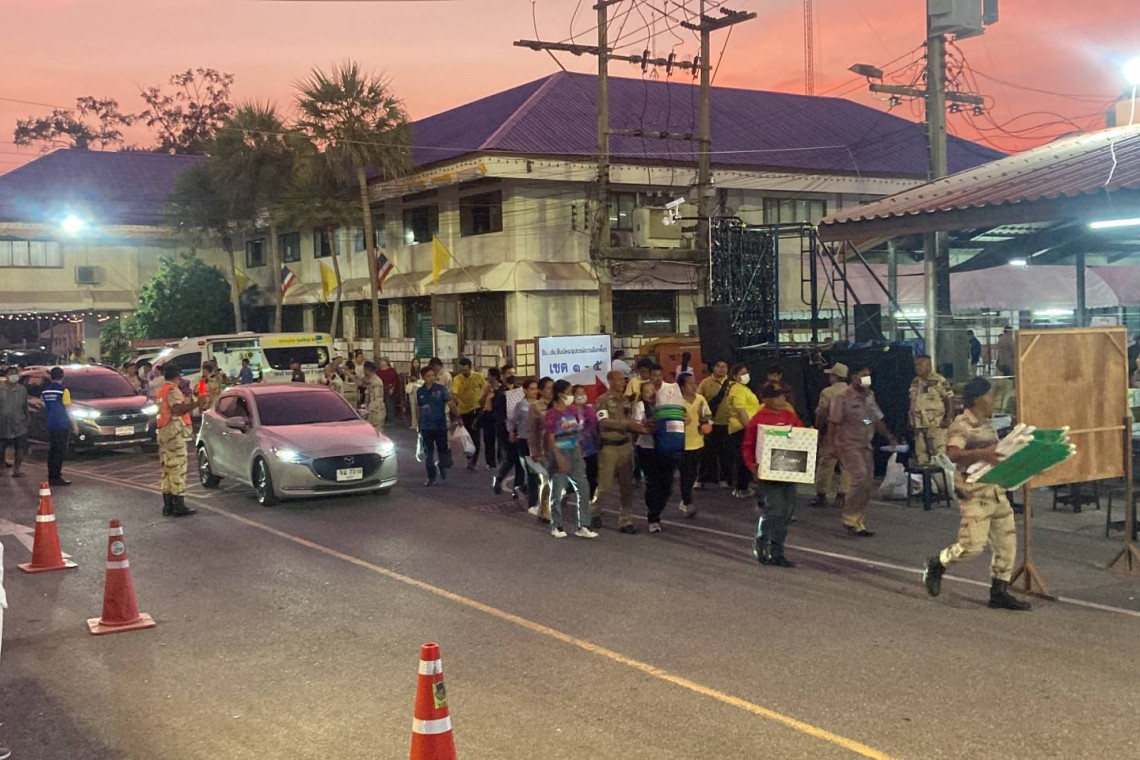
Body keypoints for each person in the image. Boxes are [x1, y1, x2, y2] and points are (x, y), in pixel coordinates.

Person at [923, 377, 1031, 611]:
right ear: (978, 399)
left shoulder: (987, 424)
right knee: (971, 546)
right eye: (989, 395)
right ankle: (938, 562)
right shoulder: (962, 424)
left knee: (1007, 544)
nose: (993, 399)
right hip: (974, 493)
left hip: (995, 490)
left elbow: (995, 453)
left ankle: (999, 592)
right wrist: (982, 454)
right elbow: (953, 454)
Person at [828, 366, 897, 537]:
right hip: (848, 444)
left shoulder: (869, 396)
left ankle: (858, 520)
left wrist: (888, 436)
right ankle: (849, 517)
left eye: (868, 375)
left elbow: (871, 418)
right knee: (860, 477)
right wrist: (832, 445)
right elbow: (834, 422)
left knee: (867, 483)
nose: (866, 378)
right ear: (854, 377)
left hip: (865, 443)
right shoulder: (842, 397)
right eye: (863, 375)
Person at [742, 385, 805, 567]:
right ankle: (762, 542)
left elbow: (800, 437)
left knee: (787, 512)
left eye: (783, 396)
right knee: (774, 510)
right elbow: (748, 446)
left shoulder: (789, 416)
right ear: (766, 399)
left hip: (789, 470)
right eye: (778, 396)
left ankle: (778, 552)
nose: (782, 400)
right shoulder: (758, 419)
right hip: (768, 473)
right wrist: (752, 467)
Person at [544, 379, 598, 539]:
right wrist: (559, 457)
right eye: (569, 392)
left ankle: (583, 525)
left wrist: (579, 453)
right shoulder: (552, 414)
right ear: (561, 394)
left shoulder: (573, 410)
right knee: (557, 491)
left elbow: (576, 433)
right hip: (559, 453)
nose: (571, 396)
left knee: (584, 489)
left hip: (574, 452)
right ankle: (556, 524)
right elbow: (550, 438)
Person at [593, 371, 639, 534]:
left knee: (627, 486)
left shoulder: (626, 401)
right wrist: (625, 425)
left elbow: (631, 420)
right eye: (619, 380)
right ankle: (594, 511)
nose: (622, 383)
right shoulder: (602, 401)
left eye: (624, 380)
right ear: (610, 381)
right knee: (605, 486)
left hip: (625, 446)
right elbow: (603, 422)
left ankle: (625, 519)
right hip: (609, 448)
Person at [633, 379, 675, 533]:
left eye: (652, 390)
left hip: (665, 448)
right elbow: (637, 425)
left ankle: (657, 509)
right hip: (647, 449)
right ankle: (653, 517)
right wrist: (649, 425)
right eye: (646, 391)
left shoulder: (665, 405)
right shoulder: (640, 406)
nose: (650, 394)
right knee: (652, 484)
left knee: (667, 485)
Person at [156, 364, 197, 517]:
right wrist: (196, 404)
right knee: (178, 468)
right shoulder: (172, 390)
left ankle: (168, 505)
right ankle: (179, 504)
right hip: (174, 433)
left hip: (164, 432)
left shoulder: (162, 390)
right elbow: (177, 409)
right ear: (178, 376)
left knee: (167, 469)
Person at [809, 363, 850, 509]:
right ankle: (842, 494)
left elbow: (821, 413)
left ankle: (821, 494)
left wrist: (818, 428)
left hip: (832, 432)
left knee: (826, 462)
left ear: (835, 377)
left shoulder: (828, 392)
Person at [909, 354, 954, 465]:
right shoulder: (915, 381)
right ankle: (925, 476)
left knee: (938, 456)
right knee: (921, 456)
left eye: (920, 365)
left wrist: (947, 418)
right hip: (919, 425)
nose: (917, 367)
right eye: (916, 365)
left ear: (928, 366)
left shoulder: (939, 380)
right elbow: (913, 402)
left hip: (936, 424)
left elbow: (949, 399)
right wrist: (910, 419)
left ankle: (941, 476)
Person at [677, 373, 711, 516]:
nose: (694, 386)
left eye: (694, 383)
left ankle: (686, 498)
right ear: (682, 387)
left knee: (692, 473)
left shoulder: (700, 399)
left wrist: (705, 422)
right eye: (690, 384)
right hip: (681, 443)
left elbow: (708, 416)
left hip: (698, 442)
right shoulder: (677, 402)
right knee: (685, 473)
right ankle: (687, 502)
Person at [417, 366, 458, 486]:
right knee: (428, 453)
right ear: (423, 377)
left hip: (440, 425)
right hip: (426, 426)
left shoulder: (441, 389)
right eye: (428, 376)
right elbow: (419, 408)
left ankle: (442, 466)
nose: (431, 378)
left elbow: (450, 403)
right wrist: (419, 425)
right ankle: (431, 477)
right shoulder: (420, 391)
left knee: (443, 450)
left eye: (432, 375)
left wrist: (458, 416)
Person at [725, 364, 761, 499]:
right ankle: (741, 488)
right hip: (742, 428)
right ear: (735, 376)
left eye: (747, 372)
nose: (746, 375)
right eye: (742, 373)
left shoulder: (742, 388)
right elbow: (741, 411)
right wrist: (749, 428)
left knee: (744, 458)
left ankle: (743, 485)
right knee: (743, 458)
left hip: (745, 427)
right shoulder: (737, 389)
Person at [698, 360, 732, 488]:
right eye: (719, 366)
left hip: (727, 423)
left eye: (724, 366)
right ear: (713, 368)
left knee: (725, 453)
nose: (722, 369)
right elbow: (699, 400)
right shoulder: (705, 383)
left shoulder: (732, 383)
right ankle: (702, 479)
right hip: (710, 423)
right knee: (706, 453)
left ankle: (724, 478)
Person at [526, 377, 555, 523]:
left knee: (556, 480)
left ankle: (543, 509)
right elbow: (531, 431)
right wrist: (534, 451)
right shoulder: (535, 407)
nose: (551, 390)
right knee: (546, 480)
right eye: (548, 388)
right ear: (541, 390)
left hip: (557, 448)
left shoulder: (557, 405)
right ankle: (545, 511)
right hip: (543, 449)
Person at [42, 366, 75, 487]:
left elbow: (44, 406)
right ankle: (56, 476)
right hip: (62, 424)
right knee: (60, 451)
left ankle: (51, 476)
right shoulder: (63, 391)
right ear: (62, 377)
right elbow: (68, 409)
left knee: (52, 450)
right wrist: (75, 425)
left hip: (51, 424)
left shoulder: (45, 391)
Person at [494, 373, 525, 497]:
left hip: (520, 430)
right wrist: (510, 428)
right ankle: (499, 479)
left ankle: (517, 487)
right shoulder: (500, 394)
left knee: (520, 461)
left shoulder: (521, 393)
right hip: (506, 432)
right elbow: (499, 414)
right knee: (511, 458)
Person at [452, 358, 486, 470]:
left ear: (470, 368)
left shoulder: (478, 376)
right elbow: (454, 394)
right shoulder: (457, 379)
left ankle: (473, 461)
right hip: (463, 410)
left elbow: (485, 389)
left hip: (476, 409)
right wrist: (456, 413)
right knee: (466, 436)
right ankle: (469, 456)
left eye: (465, 370)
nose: (463, 372)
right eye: (462, 370)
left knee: (475, 435)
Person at [510, 378, 540, 504]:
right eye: (531, 389)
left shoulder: (541, 404)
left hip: (538, 442)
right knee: (531, 472)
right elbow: (512, 420)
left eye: (536, 389)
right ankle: (532, 503)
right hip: (524, 440)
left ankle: (524, 489)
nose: (534, 391)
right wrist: (512, 431)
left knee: (539, 472)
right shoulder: (521, 405)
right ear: (525, 390)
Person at [0, 366, 29, 479]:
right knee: (1, 448)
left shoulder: (22, 389)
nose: (13, 375)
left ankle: (17, 470)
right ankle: (1, 467)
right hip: (3, 424)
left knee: (20, 447)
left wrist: (27, 419)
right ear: (6, 376)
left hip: (19, 424)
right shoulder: (1, 389)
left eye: (15, 373)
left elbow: (25, 406)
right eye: (11, 373)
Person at [573, 384, 600, 503]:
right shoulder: (569, 412)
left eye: (583, 393)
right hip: (576, 449)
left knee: (592, 476)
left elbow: (595, 428)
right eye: (578, 393)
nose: (581, 396)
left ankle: (589, 500)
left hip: (591, 448)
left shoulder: (590, 410)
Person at [478, 369, 501, 471]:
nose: (487, 377)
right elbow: (480, 402)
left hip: (499, 415)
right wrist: (485, 394)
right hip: (488, 415)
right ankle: (490, 462)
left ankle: (501, 460)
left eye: (489, 375)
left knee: (500, 439)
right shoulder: (486, 387)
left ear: (494, 376)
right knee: (488, 440)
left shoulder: (501, 387)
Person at [362, 361, 386, 431]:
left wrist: (369, 410)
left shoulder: (376, 382)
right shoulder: (370, 380)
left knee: (377, 432)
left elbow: (377, 399)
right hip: (372, 411)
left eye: (364, 369)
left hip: (376, 412)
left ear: (367, 369)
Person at [377, 357, 401, 425]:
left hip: (390, 389)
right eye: (381, 362)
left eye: (383, 361)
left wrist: (392, 388)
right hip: (380, 388)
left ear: (387, 362)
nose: (382, 363)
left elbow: (395, 381)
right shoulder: (378, 371)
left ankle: (391, 420)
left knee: (388, 401)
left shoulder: (391, 370)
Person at [406, 358, 424, 430]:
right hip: (412, 389)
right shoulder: (410, 371)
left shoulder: (421, 371)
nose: (415, 364)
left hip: (419, 389)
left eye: (417, 362)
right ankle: (414, 423)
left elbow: (424, 381)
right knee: (412, 406)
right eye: (414, 363)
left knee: (418, 406)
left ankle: (420, 423)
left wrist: (417, 380)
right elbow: (408, 381)